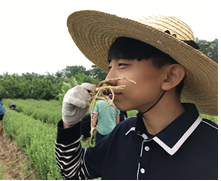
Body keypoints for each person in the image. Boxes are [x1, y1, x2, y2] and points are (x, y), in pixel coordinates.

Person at [55, 11, 218, 180]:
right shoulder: (124, 132)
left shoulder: (215, 150)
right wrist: (69, 124)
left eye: (123, 64)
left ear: (170, 76)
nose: (108, 79)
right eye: (110, 66)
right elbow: (73, 171)